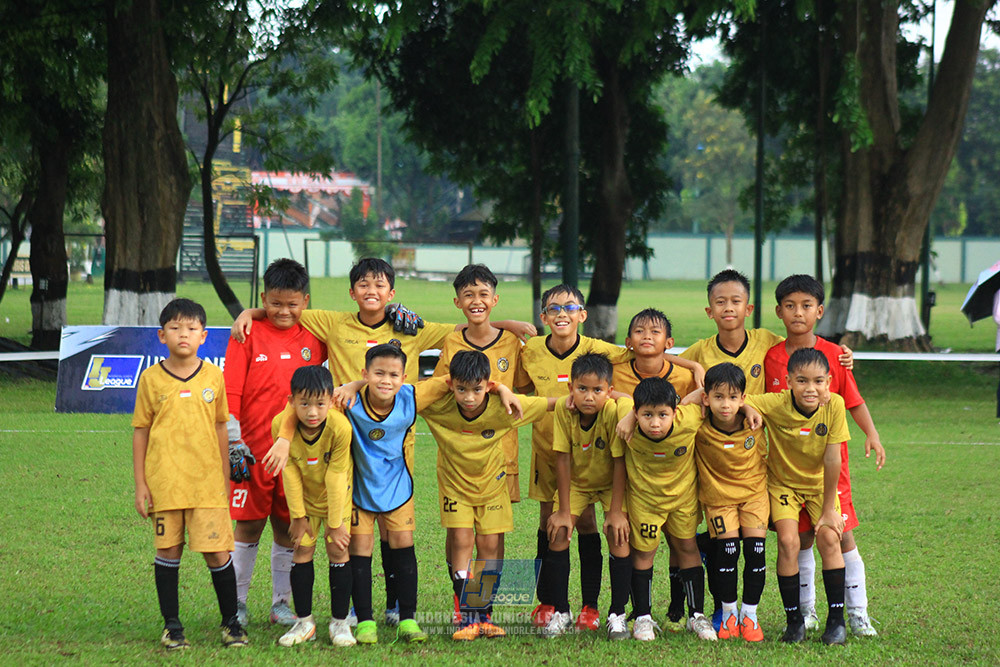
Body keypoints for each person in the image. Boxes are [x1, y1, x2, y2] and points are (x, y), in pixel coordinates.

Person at [233, 258, 533, 626]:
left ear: (392, 293)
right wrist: (250, 312)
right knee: (353, 532)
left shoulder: (410, 328)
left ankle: (403, 608)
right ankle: (355, 610)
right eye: (364, 285)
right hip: (345, 448)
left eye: (379, 286)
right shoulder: (332, 322)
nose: (371, 292)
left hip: (396, 452)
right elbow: (287, 306)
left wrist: (508, 325)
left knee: (398, 533)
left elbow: (467, 324)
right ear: (351, 292)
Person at [521, 284, 704, 629]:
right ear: (543, 315)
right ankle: (550, 604)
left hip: (608, 462)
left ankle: (602, 609)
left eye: (570, 307)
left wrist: (690, 363)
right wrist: (510, 327)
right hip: (551, 452)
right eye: (554, 308)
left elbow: (646, 352)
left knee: (607, 529)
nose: (562, 314)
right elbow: (516, 385)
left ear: (582, 315)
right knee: (552, 523)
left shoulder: (596, 349)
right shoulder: (531, 350)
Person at [764, 274, 885, 637]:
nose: (798, 313)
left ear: (819, 311)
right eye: (790, 306)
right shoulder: (772, 357)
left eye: (806, 306)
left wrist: (872, 434)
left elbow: (853, 400)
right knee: (799, 538)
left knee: (839, 536)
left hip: (831, 469)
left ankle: (858, 612)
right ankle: (806, 612)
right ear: (779, 312)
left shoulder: (835, 355)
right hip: (788, 470)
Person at [132, 298, 247, 650]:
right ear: (161, 335)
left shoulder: (213, 376)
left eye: (192, 328)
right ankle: (172, 627)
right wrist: (141, 485)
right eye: (175, 328)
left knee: (218, 553)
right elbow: (141, 431)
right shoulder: (151, 379)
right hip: (165, 483)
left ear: (203, 335)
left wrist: (224, 478)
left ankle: (231, 623)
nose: (184, 334)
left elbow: (221, 427)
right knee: (168, 551)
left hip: (206, 485)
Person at [422, 350, 552, 641]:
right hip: (455, 487)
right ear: (450, 385)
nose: (469, 398)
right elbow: (402, 392)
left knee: (490, 545)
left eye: (477, 390)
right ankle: (466, 617)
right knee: (461, 541)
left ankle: (484, 615)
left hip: (493, 486)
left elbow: (551, 403)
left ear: (488, 386)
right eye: (461, 389)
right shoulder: (437, 405)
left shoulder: (503, 406)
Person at [224, 258, 326, 627]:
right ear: (264, 299)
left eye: (292, 304)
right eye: (275, 303)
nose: (284, 311)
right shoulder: (246, 333)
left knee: (288, 525)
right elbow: (231, 391)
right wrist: (234, 442)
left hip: (296, 453)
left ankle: (281, 603)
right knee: (249, 525)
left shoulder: (315, 335)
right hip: (252, 451)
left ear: (305, 302)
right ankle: (236, 602)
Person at [616, 377, 744, 642]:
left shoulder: (688, 418)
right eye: (647, 415)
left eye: (663, 415)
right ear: (636, 412)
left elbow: (710, 391)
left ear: (675, 412)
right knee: (644, 553)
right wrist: (628, 415)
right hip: (645, 501)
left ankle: (696, 615)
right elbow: (613, 395)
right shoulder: (627, 422)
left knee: (687, 547)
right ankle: (642, 617)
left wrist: (749, 407)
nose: (655, 423)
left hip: (683, 499)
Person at [745, 348, 851, 645]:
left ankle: (836, 621)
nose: (810, 388)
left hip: (820, 485)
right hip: (783, 486)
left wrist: (828, 511)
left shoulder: (835, 405)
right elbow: (738, 398)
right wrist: (748, 409)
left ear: (828, 381)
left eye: (818, 381)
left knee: (830, 538)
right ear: (788, 381)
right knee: (788, 542)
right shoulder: (776, 402)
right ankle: (794, 622)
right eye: (802, 381)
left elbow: (833, 459)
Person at [612, 307, 696, 631]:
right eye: (640, 331)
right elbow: (604, 389)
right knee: (642, 546)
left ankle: (680, 606)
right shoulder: (617, 369)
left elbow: (697, 402)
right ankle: (641, 613)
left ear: (669, 342)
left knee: (681, 542)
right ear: (628, 341)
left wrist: (695, 367)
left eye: (655, 332)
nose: (647, 337)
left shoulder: (684, 375)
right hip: (637, 476)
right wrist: (631, 412)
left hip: (680, 473)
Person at [542, 353, 632, 640]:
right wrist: (564, 511)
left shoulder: (613, 411)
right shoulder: (563, 409)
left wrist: (615, 512)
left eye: (597, 390)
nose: (589, 396)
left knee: (618, 535)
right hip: (577, 484)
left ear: (609, 391)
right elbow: (562, 459)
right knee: (558, 532)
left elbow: (619, 462)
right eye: (582, 388)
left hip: (610, 484)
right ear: (571, 388)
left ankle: (617, 613)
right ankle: (562, 611)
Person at [275, 366, 356, 648]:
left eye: (320, 404)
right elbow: (290, 472)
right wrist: (298, 517)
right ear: (291, 401)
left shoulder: (340, 427)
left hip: (337, 497)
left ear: (331, 401)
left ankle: (340, 623)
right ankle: (304, 622)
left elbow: (337, 475)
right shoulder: (280, 426)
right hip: (305, 500)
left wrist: (335, 523)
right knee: (302, 549)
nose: (312, 412)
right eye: (304, 404)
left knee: (338, 549)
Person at [693, 363, 767, 642]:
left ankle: (750, 616)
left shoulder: (755, 421)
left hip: (754, 496)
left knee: (756, 551)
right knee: (728, 551)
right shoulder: (698, 423)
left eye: (733, 398)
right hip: (719, 499)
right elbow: (677, 407)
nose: (726, 405)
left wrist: (749, 409)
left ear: (743, 399)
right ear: (706, 398)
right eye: (718, 397)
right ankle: (728, 615)